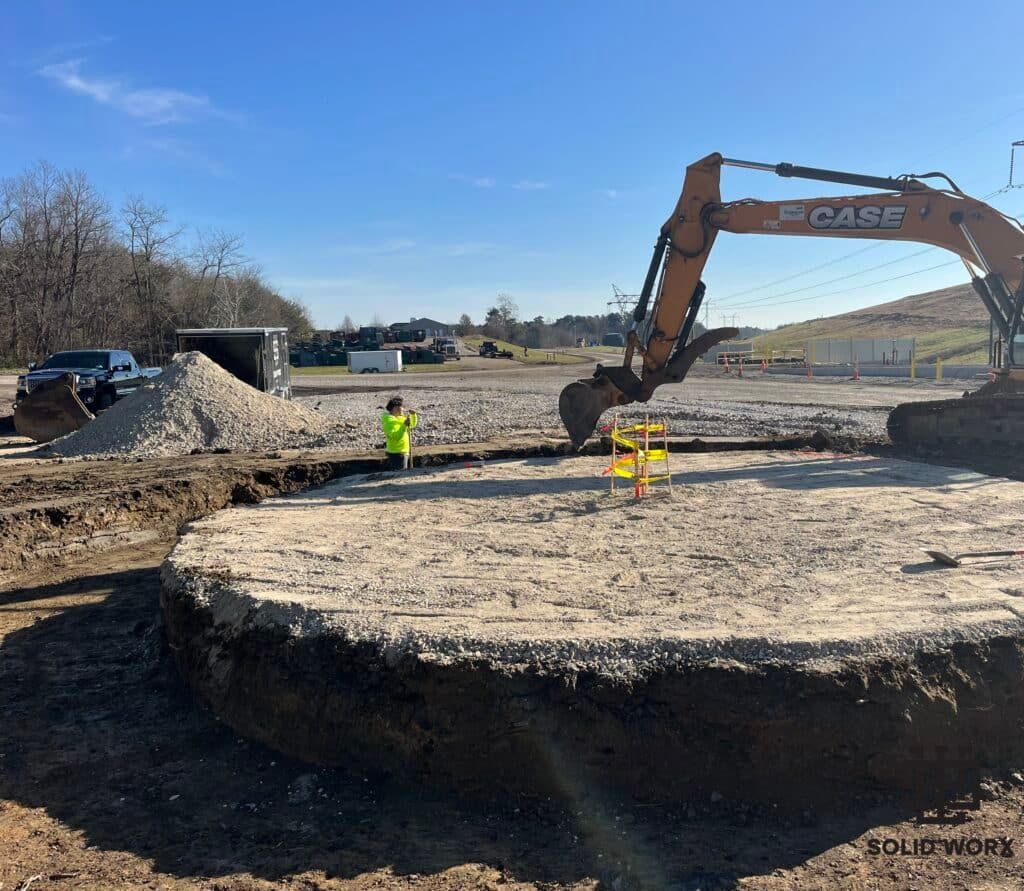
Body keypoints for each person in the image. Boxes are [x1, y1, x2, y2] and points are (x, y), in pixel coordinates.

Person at [381, 396, 417, 470]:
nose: (402, 409)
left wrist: (413, 416)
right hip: (396, 452)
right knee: (400, 472)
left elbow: (411, 425)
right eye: (400, 407)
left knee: (403, 471)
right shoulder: (389, 421)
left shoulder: (400, 418)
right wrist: (404, 425)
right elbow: (396, 436)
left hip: (404, 450)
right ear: (394, 408)